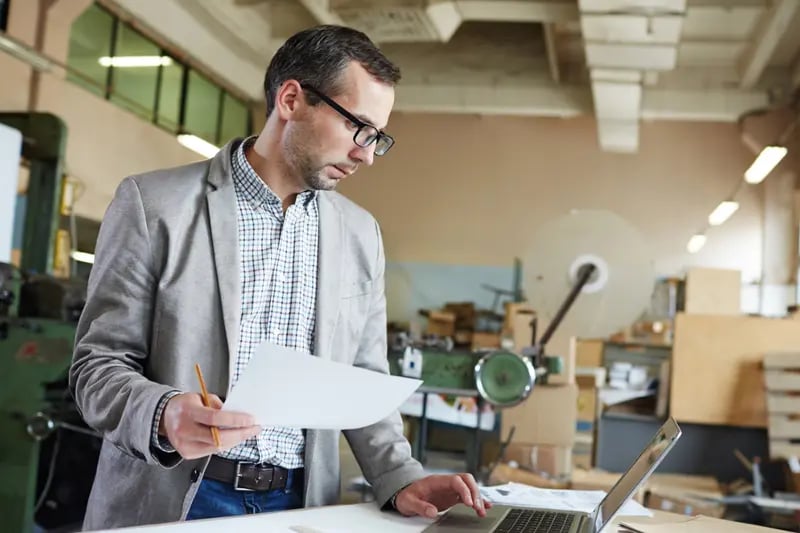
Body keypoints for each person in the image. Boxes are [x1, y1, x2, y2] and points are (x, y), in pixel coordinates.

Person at [69, 24, 489, 530]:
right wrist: (162, 414)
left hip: (302, 505)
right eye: (359, 128)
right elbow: (97, 367)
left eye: (378, 137)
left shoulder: (361, 235)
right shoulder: (154, 206)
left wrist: (400, 476)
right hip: (172, 499)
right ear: (291, 99)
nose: (367, 153)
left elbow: (364, 383)